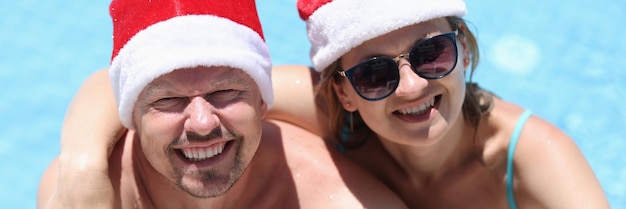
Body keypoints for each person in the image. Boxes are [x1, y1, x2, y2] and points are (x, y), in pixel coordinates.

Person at [36, 0, 408, 208]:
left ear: (263, 100)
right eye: (168, 99)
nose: (201, 122)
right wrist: (83, 167)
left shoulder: (331, 198)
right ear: (130, 114)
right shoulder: (84, 195)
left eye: (225, 93)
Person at [281, 0, 610, 208]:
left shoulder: (534, 159)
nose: (412, 87)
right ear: (344, 94)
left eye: (431, 54)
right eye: (375, 74)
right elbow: (235, 94)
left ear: (464, 50)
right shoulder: (337, 118)